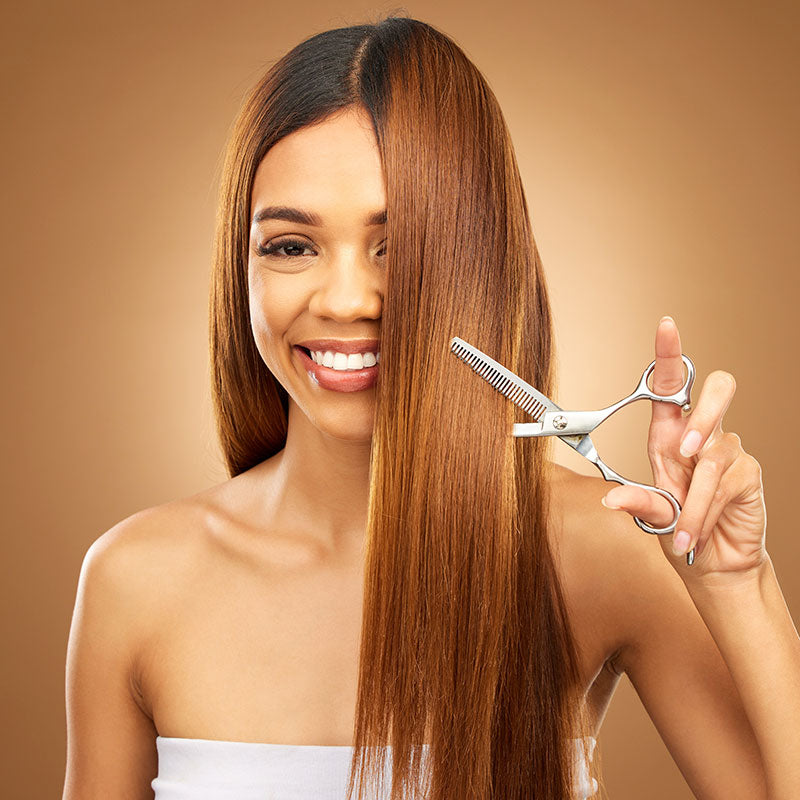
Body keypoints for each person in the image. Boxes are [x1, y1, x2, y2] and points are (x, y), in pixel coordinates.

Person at [62, 14, 799, 800]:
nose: (347, 300)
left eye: (401, 244)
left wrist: (738, 587)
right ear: (238, 268)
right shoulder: (135, 581)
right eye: (291, 246)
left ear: (480, 264)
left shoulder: (606, 544)